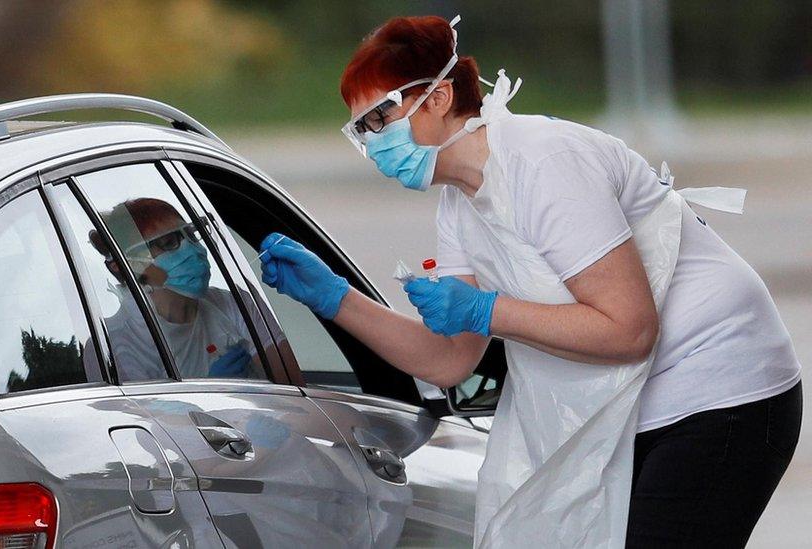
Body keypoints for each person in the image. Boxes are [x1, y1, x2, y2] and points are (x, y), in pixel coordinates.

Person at [257, 14, 802, 548]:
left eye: (378, 118)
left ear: (439, 97)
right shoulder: (459, 204)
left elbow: (630, 331)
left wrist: (483, 310)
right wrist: (333, 296)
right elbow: (449, 360)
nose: (373, 143)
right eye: (360, 131)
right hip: (635, 405)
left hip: (719, 387)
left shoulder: (543, 162)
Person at [90, 197, 265, 381]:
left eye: (190, 234)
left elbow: (289, 386)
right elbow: (136, 409)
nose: (192, 249)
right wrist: (208, 392)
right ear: (133, 262)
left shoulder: (235, 303)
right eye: (168, 242)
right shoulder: (115, 345)